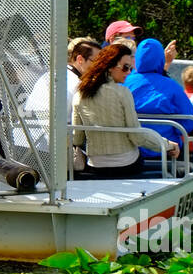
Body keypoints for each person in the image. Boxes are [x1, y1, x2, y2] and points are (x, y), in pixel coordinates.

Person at [71, 44, 178, 177]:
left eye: (130, 68)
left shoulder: (79, 94)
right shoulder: (122, 92)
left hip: (96, 166)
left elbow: (77, 138)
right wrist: (167, 145)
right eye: (125, 67)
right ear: (110, 67)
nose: (128, 72)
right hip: (127, 165)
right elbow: (136, 136)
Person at [124, 38, 193, 157]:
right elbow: (189, 123)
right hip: (167, 151)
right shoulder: (172, 86)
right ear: (161, 59)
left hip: (130, 151)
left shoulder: (123, 83)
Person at [25, 36, 98, 116]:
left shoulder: (51, 74)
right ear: (80, 59)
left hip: (24, 126)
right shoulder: (77, 84)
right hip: (49, 127)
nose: (99, 66)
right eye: (96, 61)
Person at [104, 19, 176, 68]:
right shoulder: (104, 65)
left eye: (133, 38)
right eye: (128, 38)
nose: (131, 42)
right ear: (112, 39)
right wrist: (165, 63)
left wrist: (166, 62)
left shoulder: (133, 61)